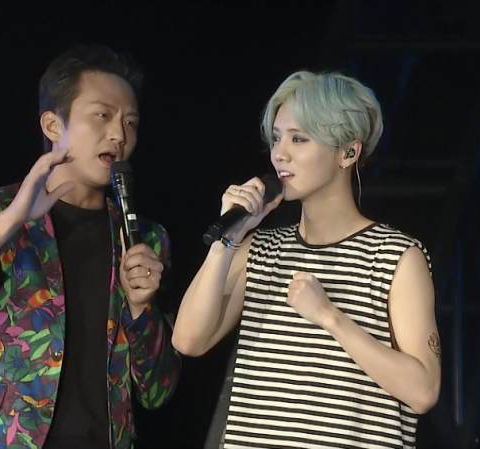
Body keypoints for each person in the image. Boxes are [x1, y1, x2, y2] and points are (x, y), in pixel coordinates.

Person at [0, 44, 180, 449]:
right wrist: (10, 222)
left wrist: (143, 309)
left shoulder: (145, 238)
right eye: (102, 116)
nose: (119, 135)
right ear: (53, 125)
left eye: (131, 122)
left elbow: (158, 392)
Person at [172, 70, 441, 448]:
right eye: (276, 138)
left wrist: (330, 317)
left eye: (299, 139)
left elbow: (423, 391)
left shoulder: (394, 256)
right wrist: (227, 240)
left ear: (348, 152)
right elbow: (187, 340)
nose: (280, 153)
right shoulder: (262, 250)